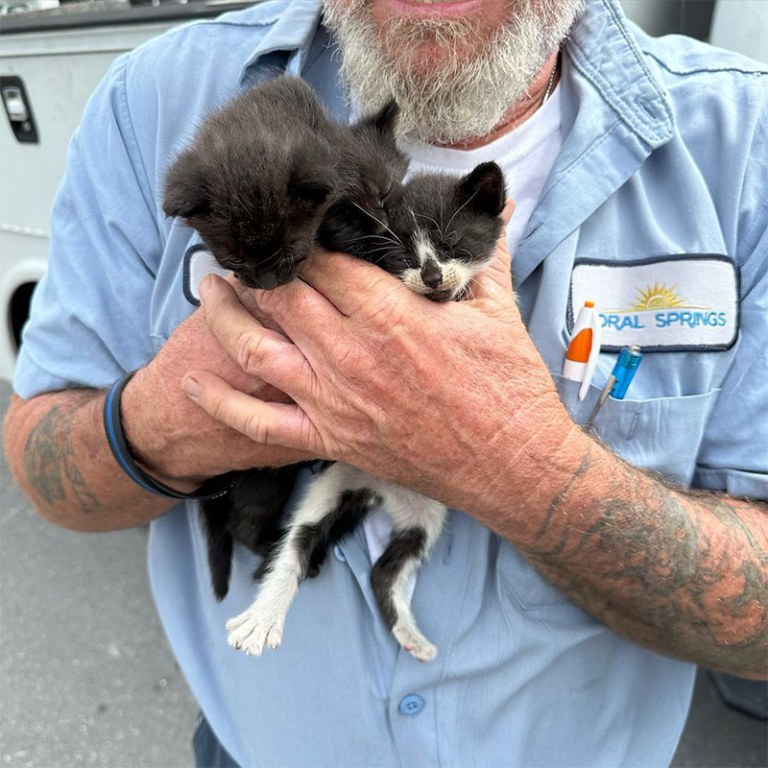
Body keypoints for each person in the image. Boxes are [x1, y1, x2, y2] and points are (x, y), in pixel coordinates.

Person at [4, 0, 767, 765]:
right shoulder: (152, 103)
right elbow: (43, 463)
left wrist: (518, 465)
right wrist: (168, 419)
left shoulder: (742, 145)